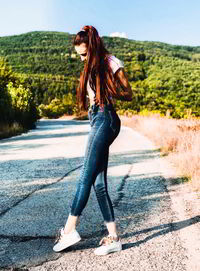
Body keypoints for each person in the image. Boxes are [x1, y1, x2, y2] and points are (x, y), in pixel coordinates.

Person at [53, 25, 132, 256]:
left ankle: (69, 230)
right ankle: (114, 237)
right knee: (98, 183)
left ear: (94, 47)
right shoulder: (89, 67)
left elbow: (129, 93)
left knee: (85, 176)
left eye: (85, 53)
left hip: (106, 118)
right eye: (79, 54)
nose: (82, 58)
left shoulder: (110, 61)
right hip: (95, 118)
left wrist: (109, 91)